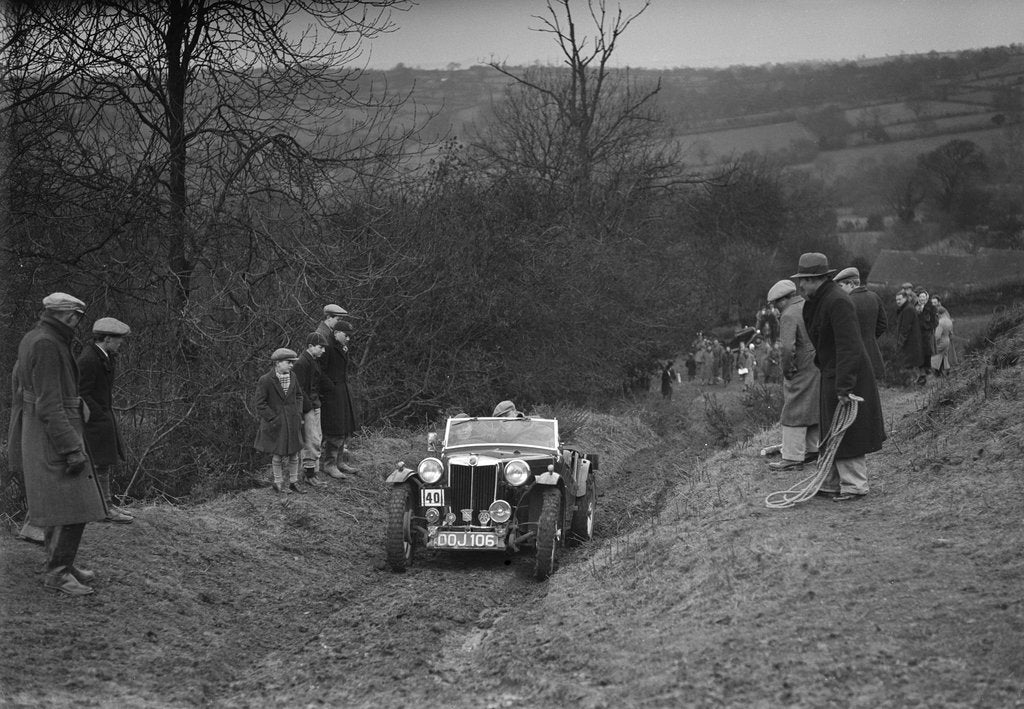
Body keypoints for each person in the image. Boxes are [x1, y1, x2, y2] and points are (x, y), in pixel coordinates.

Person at [9, 292, 107, 595]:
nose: (78, 322)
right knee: (75, 506)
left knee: (59, 505)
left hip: (44, 433)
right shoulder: (47, 344)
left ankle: (63, 564)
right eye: (76, 317)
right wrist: (71, 448)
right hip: (54, 437)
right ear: (68, 315)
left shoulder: (37, 337)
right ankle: (57, 573)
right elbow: (49, 405)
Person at [791, 253, 886, 501]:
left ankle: (854, 484)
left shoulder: (837, 302)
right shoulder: (821, 300)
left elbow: (849, 346)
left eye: (804, 280)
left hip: (847, 375)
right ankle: (831, 481)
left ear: (817, 279)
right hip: (833, 373)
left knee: (848, 430)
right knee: (832, 430)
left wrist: (845, 386)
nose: (801, 286)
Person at [77, 316, 134, 524]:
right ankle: (103, 508)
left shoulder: (104, 356)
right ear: (107, 339)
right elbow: (82, 392)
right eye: (118, 339)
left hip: (100, 419)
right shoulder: (89, 359)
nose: (121, 343)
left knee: (103, 463)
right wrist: (98, 415)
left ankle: (106, 504)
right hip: (93, 422)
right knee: (99, 464)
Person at [766, 280, 820, 471]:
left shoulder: (788, 314)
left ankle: (791, 457)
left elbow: (788, 349)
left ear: (783, 300)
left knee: (793, 410)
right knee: (812, 406)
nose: (776, 309)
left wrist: (788, 371)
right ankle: (813, 449)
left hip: (800, 367)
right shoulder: (808, 305)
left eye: (776, 304)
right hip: (816, 364)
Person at [254, 348, 306, 494]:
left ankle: (294, 482)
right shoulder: (265, 380)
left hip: (292, 420)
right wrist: (273, 418)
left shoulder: (293, 376)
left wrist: (298, 412)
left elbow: (299, 396)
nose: (291, 365)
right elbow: (260, 403)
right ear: (277, 363)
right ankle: (278, 483)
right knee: (277, 454)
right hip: (276, 424)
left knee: (294, 453)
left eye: (292, 362)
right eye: (288, 362)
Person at [320, 320, 359, 478]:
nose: (348, 339)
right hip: (331, 394)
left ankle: (340, 461)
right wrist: (331, 387)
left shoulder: (342, 346)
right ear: (336, 333)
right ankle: (329, 464)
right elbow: (320, 372)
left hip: (342, 391)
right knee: (334, 429)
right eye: (346, 335)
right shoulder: (327, 347)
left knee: (344, 427)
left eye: (350, 336)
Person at [834, 267, 888, 380]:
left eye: (840, 286)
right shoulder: (874, 297)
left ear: (851, 284)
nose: (839, 291)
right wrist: (870, 338)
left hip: (853, 357)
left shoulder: (846, 302)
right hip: (873, 353)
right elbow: (883, 324)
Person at [292, 332, 328, 486]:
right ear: (310, 346)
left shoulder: (313, 361)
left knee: (316, 438)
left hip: (315, 404)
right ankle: (309, 474)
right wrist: (307, 408)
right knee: (310, 440)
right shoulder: (301, 363)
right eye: (320, 347)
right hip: (308, 407)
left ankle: (313, 473)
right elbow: (298, 389)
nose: (323, 350)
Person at [894, 291, 923, 385]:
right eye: (896, 300)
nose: (898, 301)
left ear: (905, 298)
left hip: (910, 342)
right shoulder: (906, 308)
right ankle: (914, 381)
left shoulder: (908, 309)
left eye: (900, 299)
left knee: (909, 363)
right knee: (911, 363)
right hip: (910, 341)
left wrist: (900, 343)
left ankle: (913, 382)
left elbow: (905, 328)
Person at [915, 287, 937, 384]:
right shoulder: (915, 307)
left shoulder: (931, 308)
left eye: (923, 297)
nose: (922, 298)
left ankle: (927, 370)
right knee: (918, 353)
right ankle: (922, 373)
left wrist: (928, 327)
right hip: (917, 334)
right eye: (920, 297)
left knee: (927, 352)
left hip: (927, 334)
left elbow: (935, 321)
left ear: (926, 298)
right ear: (918, 298)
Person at [931, 305, 957, 376]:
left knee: (935, 356)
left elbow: (937, 335)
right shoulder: (949, 321)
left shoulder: (940, 322)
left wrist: (935, 342)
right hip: (947, 340)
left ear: (938, 314)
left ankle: (937, 372)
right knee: (944, 356)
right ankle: (947, 369)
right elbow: (951, 332)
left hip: (941, 341)